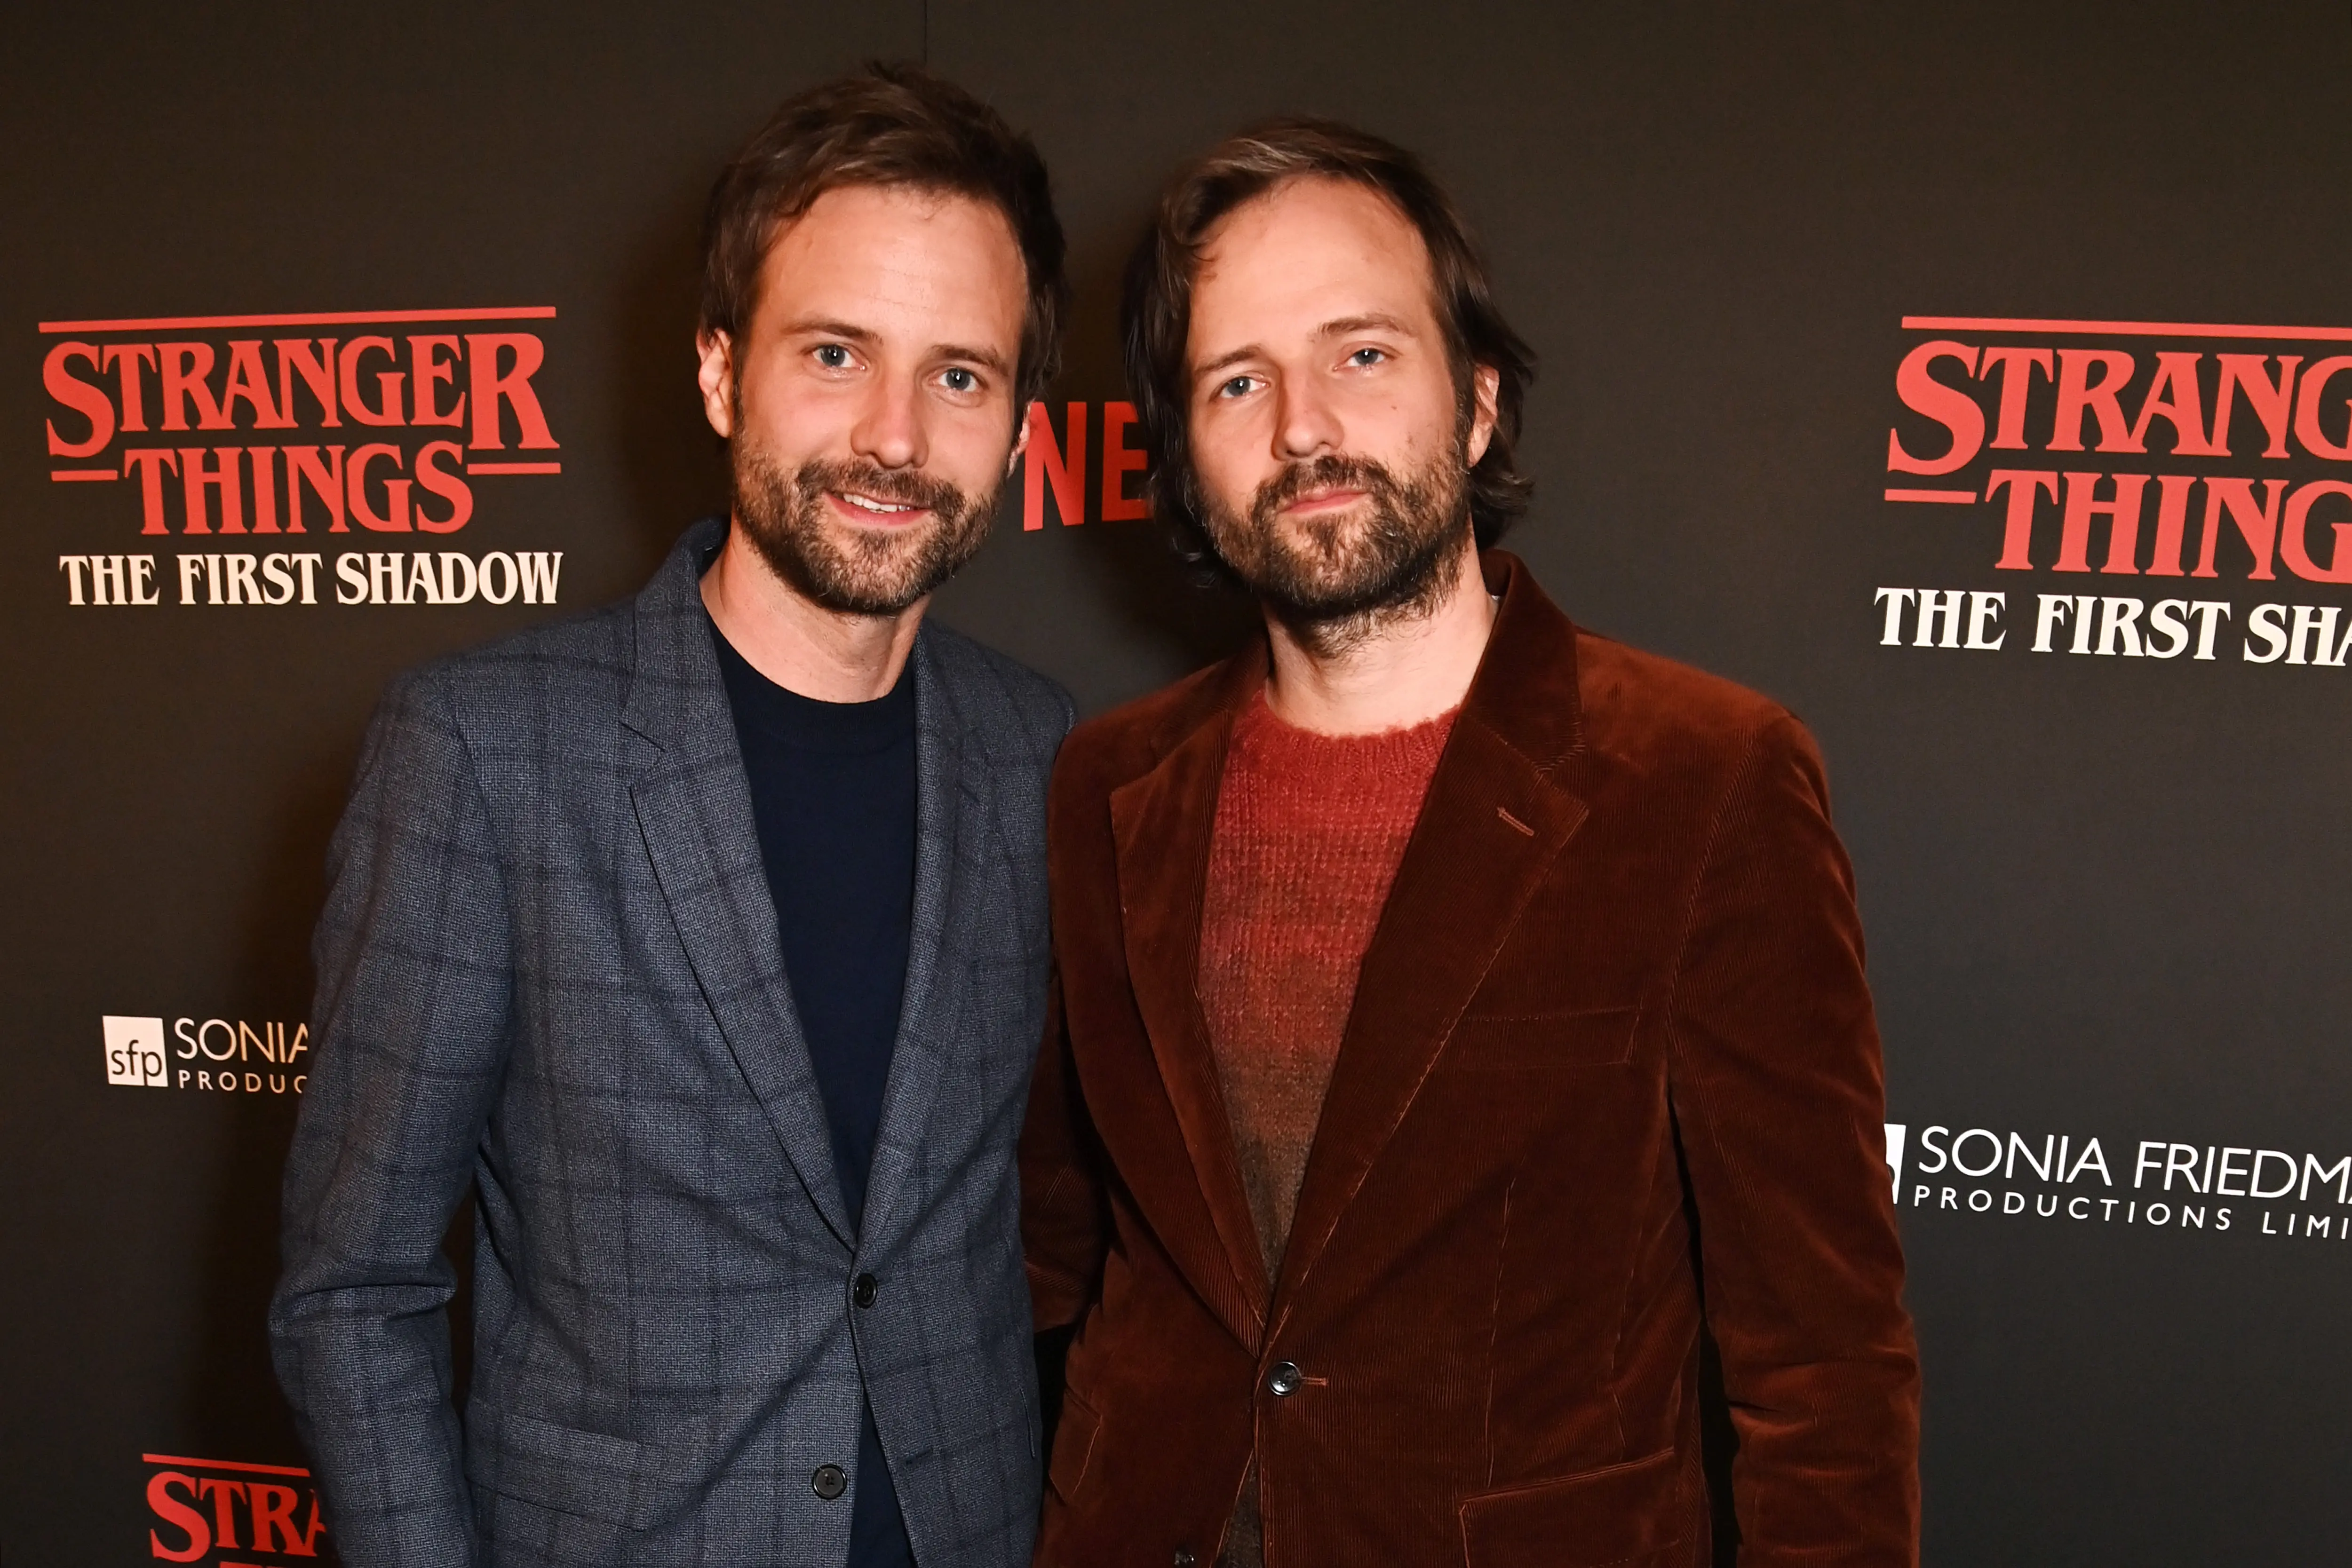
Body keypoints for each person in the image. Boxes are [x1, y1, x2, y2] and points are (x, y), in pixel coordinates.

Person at [1021, 119, 1919, 1568]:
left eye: (1362, 354)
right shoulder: (1105, 783)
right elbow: (1047, 1252)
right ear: (1182, 459)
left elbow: (1823, 1358)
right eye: (1237, 381)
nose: (1304, 426)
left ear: (1481, 398)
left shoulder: (1705, 779)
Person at [270, 65, 1073, 1568]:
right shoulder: (487, 751)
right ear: (721, 373)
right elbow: (353, 1290)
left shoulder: (1040, 749)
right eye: (836, 353)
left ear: (1022, 426)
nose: (896, 437)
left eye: (960, 374)